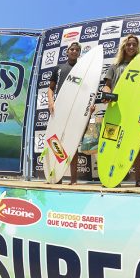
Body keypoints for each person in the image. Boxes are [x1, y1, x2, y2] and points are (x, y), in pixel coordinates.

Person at [102, 34, 140, 187]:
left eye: (134, 45)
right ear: (124, 46)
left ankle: (138, 178)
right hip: (115, 111)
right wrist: (106, 92)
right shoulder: (115, 65)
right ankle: (111, 176)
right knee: (110, 142)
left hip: (135, 111)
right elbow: (107, 85)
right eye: (128, 44)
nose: (131, 47)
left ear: (137, 47)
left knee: (134, 143)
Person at [47, 42, 83, 184]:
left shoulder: (83, 68)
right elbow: (51, 88)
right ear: (67, 52)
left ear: (79, 53)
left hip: (76, 110)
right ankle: (58, 177)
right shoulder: (59, 68)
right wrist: (51, 102)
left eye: (77, 50)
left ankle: (74, 180)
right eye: (72, 49)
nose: (74, 51)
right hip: (60, 109)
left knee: (73, 143)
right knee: (58, 142)